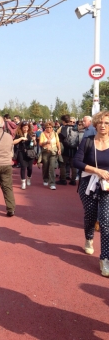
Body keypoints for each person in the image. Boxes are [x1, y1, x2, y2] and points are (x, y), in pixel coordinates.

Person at [73, 111, 109, 277]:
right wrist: (96, 170)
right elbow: (77, 161)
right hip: (88, 183)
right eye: (100, 122)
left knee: (106, 222)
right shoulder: (88, 141)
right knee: (91, 215)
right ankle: (88, 237)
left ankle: (105, 258)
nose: (103, 125)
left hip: (107, 185)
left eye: (107, 123)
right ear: (95, 124)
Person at [13, 121, 36, 189]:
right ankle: (23, 182)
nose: (26, 129)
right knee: (23, 167)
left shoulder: (31, 134)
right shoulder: (19, 134)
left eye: (27, 127)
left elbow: (34, 144)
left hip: (30, 152)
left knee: (30, 168)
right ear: (21, 127)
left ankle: (28, 178)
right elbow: (13, 142)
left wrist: (34, 140)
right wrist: (21, 138)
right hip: (21, 152)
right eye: (24, 127)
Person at [57, 114, 78, 186]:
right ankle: (73, 180)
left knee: (63, 164)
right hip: (74, 149)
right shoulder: (76, 128)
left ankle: (63, 179)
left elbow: (62, 136)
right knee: (73, 166)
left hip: (66, 149)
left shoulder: (64, 128)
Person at [39, 121, 61, 190]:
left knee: (52, 167)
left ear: (52, 128)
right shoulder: (42, 134)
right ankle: (45, 179)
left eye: (50, 127)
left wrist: (59, 149)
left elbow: (58, 142)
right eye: (47, 127)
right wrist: (45, 142)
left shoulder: (55, 134)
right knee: (45, 166)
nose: (48, 128)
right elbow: (40, 143)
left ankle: (52, 183)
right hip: (45, 151)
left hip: (53, 152)